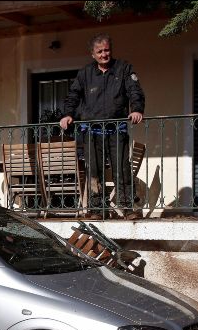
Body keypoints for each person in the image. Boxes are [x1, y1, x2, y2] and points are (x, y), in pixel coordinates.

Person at [60, 33, 145, 209]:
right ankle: (96, 208)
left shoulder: (124, 68)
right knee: (93, 171)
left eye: (106, 50)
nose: (104, 54)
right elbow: (73, 95)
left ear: (110, 50)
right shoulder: (85, 74)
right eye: (99, 51)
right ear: (93, 54)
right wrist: (68, 114)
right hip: (92, 131)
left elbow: (134, 90)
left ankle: (127, 206)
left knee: (122, 169)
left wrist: (136, 109)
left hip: (117, 128)